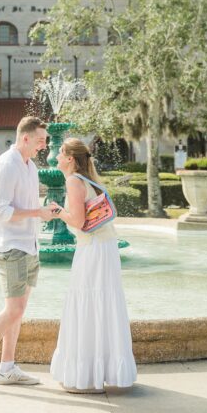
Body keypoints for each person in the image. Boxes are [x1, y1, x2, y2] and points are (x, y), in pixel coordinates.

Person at [0, 116, 59, 395]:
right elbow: (1, 212)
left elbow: (26, 206)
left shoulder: (30, 166)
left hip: (28, 245)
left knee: (17, 313)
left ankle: (7, 368)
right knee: (14, 310)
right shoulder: (6, 165)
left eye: (45, 140)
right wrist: (37, 213)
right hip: (9, 246)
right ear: (25, 137)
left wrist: (44, 209)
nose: (45, 144)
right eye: (41, 139)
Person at [49, 138, 137, 393]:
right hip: (104, 247)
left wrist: (57, 211)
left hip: (93, 249)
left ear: (70, 159)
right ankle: (103, 370)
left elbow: (77, 221)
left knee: (88, 304)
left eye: (60, 153)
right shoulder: (90, 180)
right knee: (103, 305)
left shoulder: (74, 181)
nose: (55, 157)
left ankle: (87, 376)